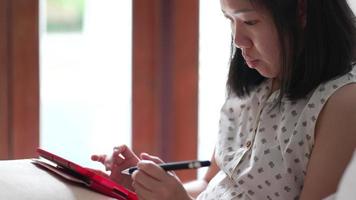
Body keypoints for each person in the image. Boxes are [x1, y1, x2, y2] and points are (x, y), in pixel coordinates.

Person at [91, 0, 356, 199]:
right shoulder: (252, 84)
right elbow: (210, 184)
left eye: (249, 22)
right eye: (229, 20)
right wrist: (148, 184)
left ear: (301, 11)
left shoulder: (341, 103)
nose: (238, 40)